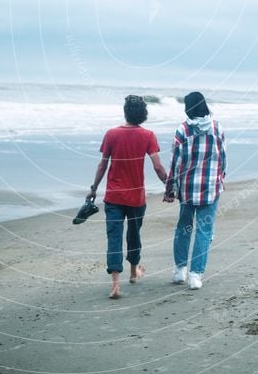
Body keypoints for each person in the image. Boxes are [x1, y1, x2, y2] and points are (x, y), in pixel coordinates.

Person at [87, 94, 168, 299]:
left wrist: (94, 188)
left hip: (113, 196)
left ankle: (115, 285)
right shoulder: (148, 135)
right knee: (134, 234)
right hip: (136, 198)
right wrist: (169, 186)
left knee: (114, 237)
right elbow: (158, 167)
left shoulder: (111, 134)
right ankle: (133, 273)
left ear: (125, 112)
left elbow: (103, 165)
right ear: (143, 114)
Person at [164, 91, 226, 290]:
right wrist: (220, 180)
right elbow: (222, 159)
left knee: (183, 229)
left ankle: (180, 271)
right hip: (210, 187)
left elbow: (175, 162)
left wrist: (170, 189)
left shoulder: (182, 130)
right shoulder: (217, 128)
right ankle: (195, 275)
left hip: (188, 189)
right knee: (204, 231)